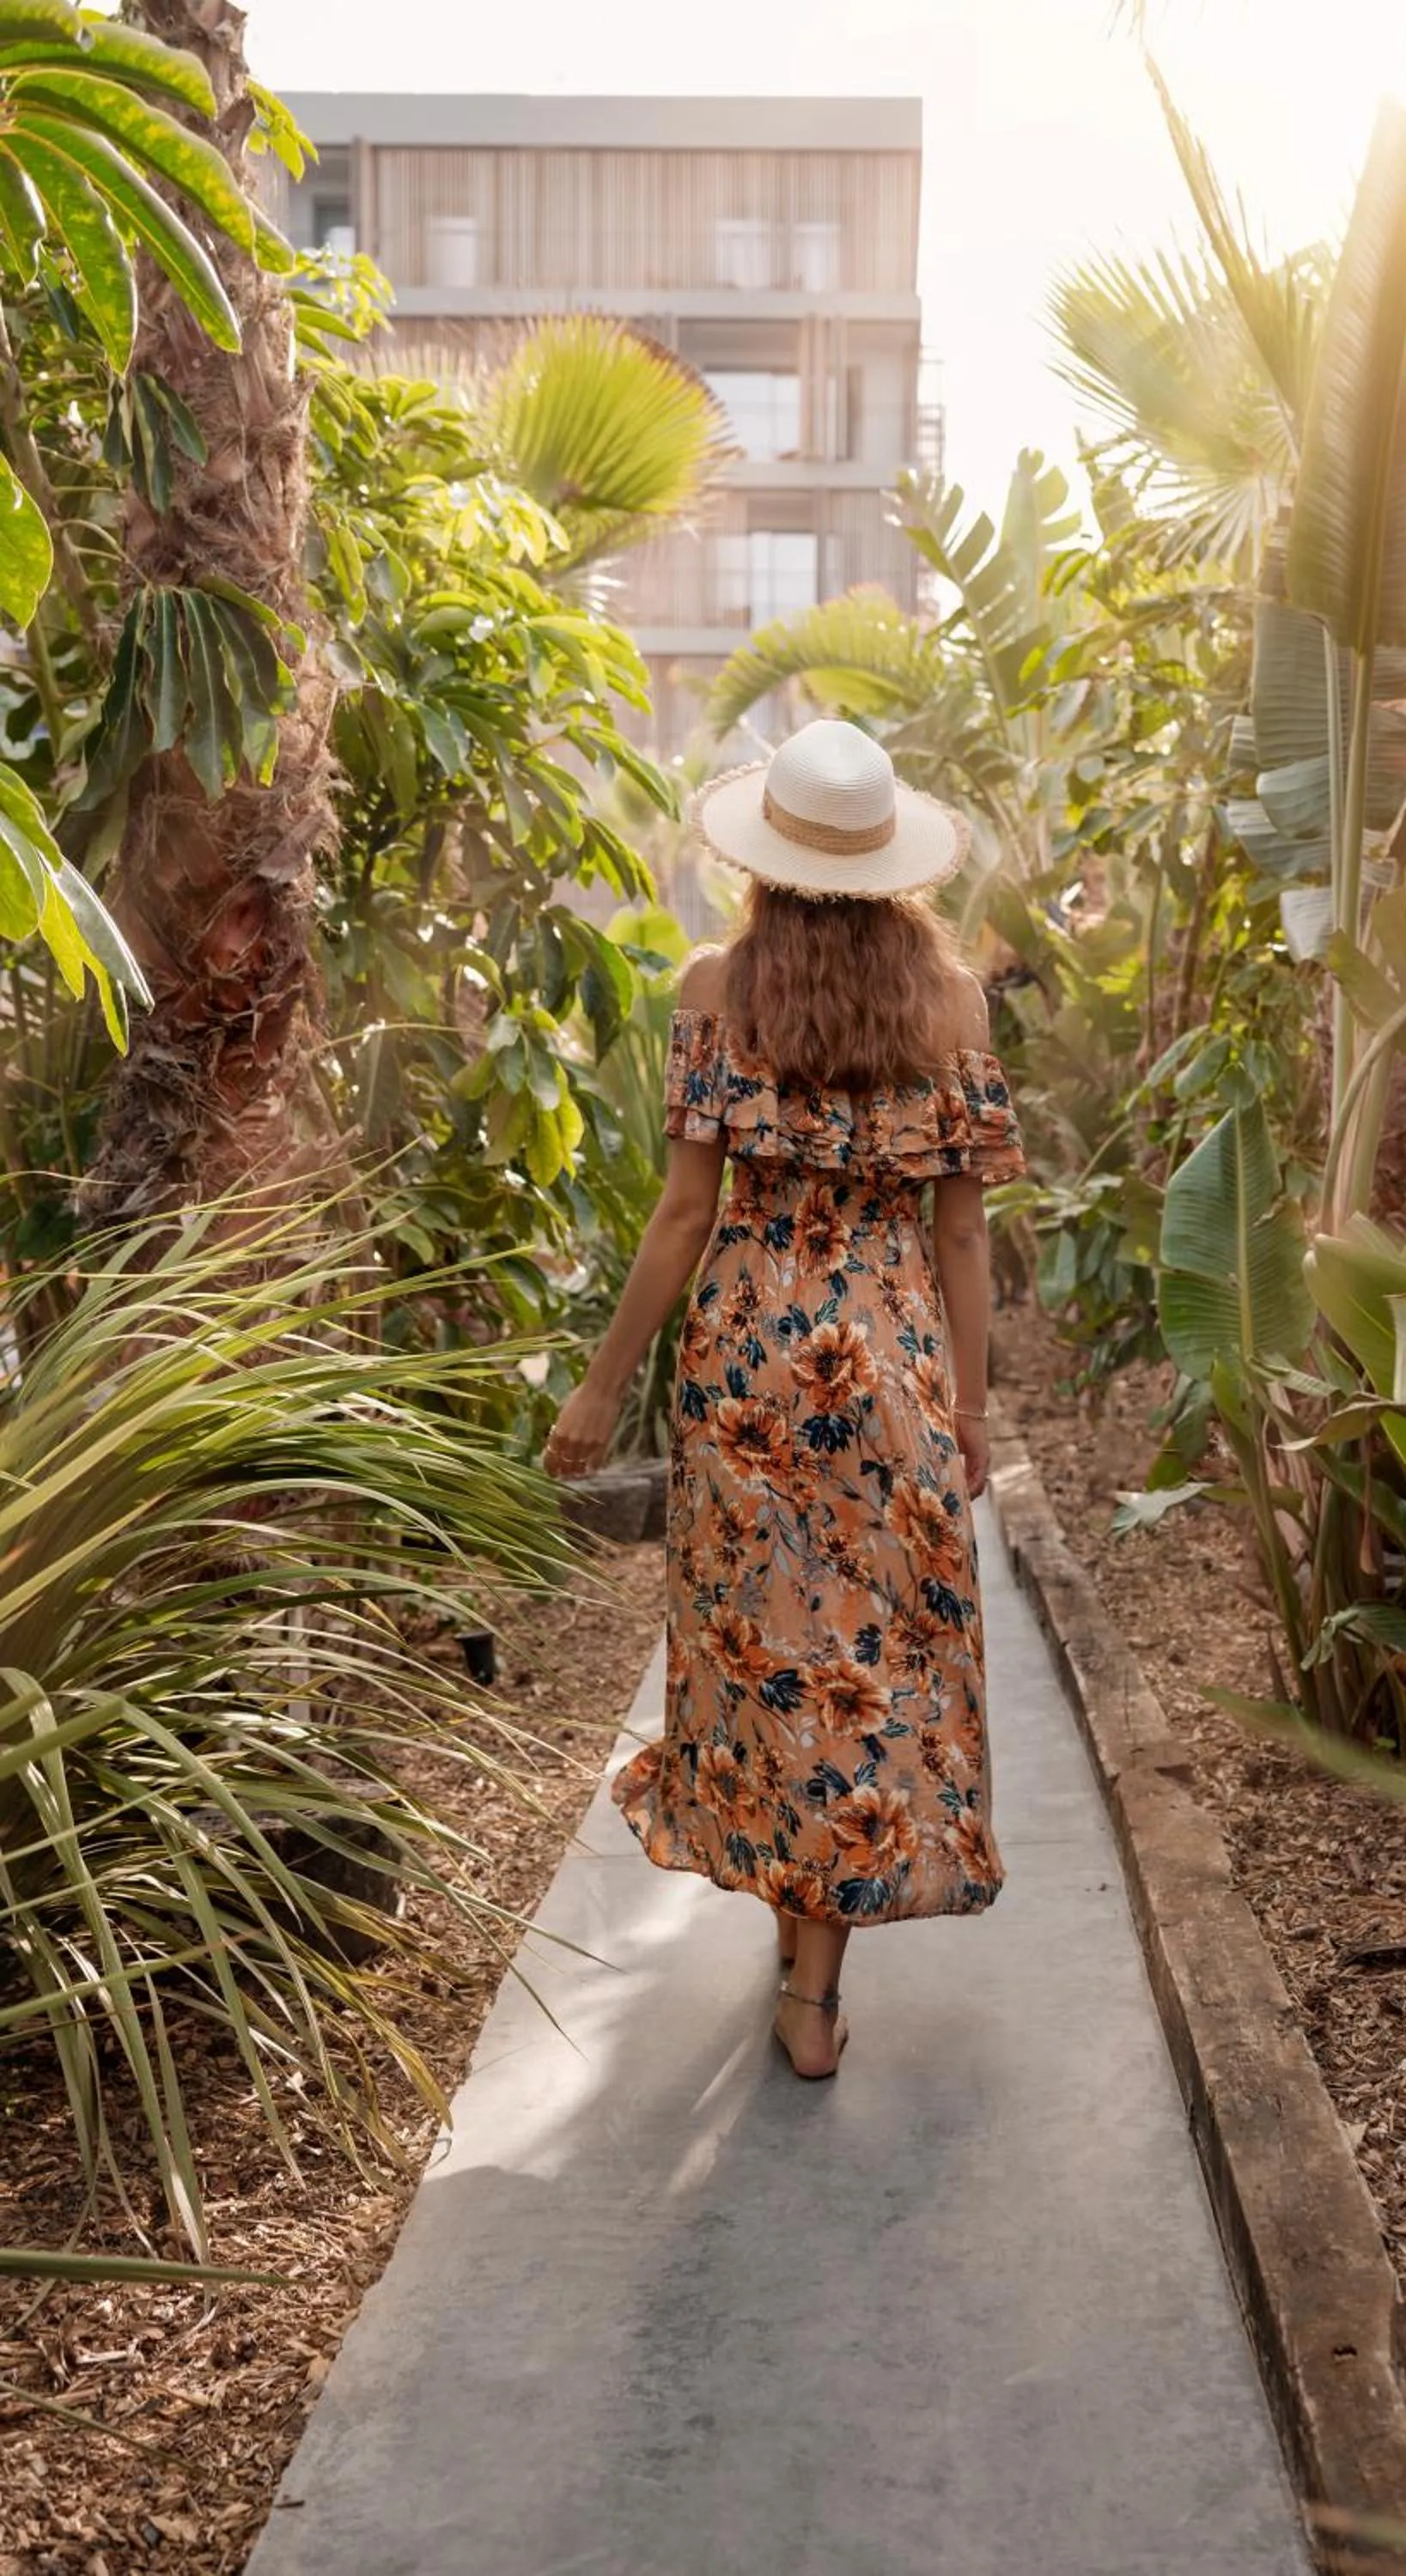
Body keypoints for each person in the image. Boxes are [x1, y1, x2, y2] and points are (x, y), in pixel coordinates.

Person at [543, 720, 1026, 2080]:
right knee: (869, 1655)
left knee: (764, 1645)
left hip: (749, 1357)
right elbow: (964, 1241)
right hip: (891, 1363)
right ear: (889, 865)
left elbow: (683, 1215)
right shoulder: (954, 1006)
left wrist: (598, 1385)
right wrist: (972, 1416)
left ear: (765, 861)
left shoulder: (714, 985)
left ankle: (796, 1938)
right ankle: (815, 1988)